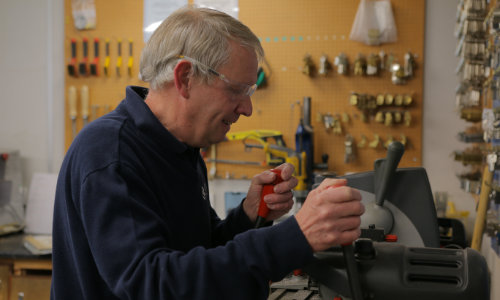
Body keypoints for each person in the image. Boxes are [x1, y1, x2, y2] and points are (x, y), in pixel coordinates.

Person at [51, 6, 364, 300]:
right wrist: (295, 237)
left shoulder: (181, 147)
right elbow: (150, 284)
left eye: (250, 92)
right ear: (185, 78)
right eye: (236, 90)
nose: (248, 109)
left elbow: (198, 249)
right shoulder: (110, 153)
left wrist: (248, 216)